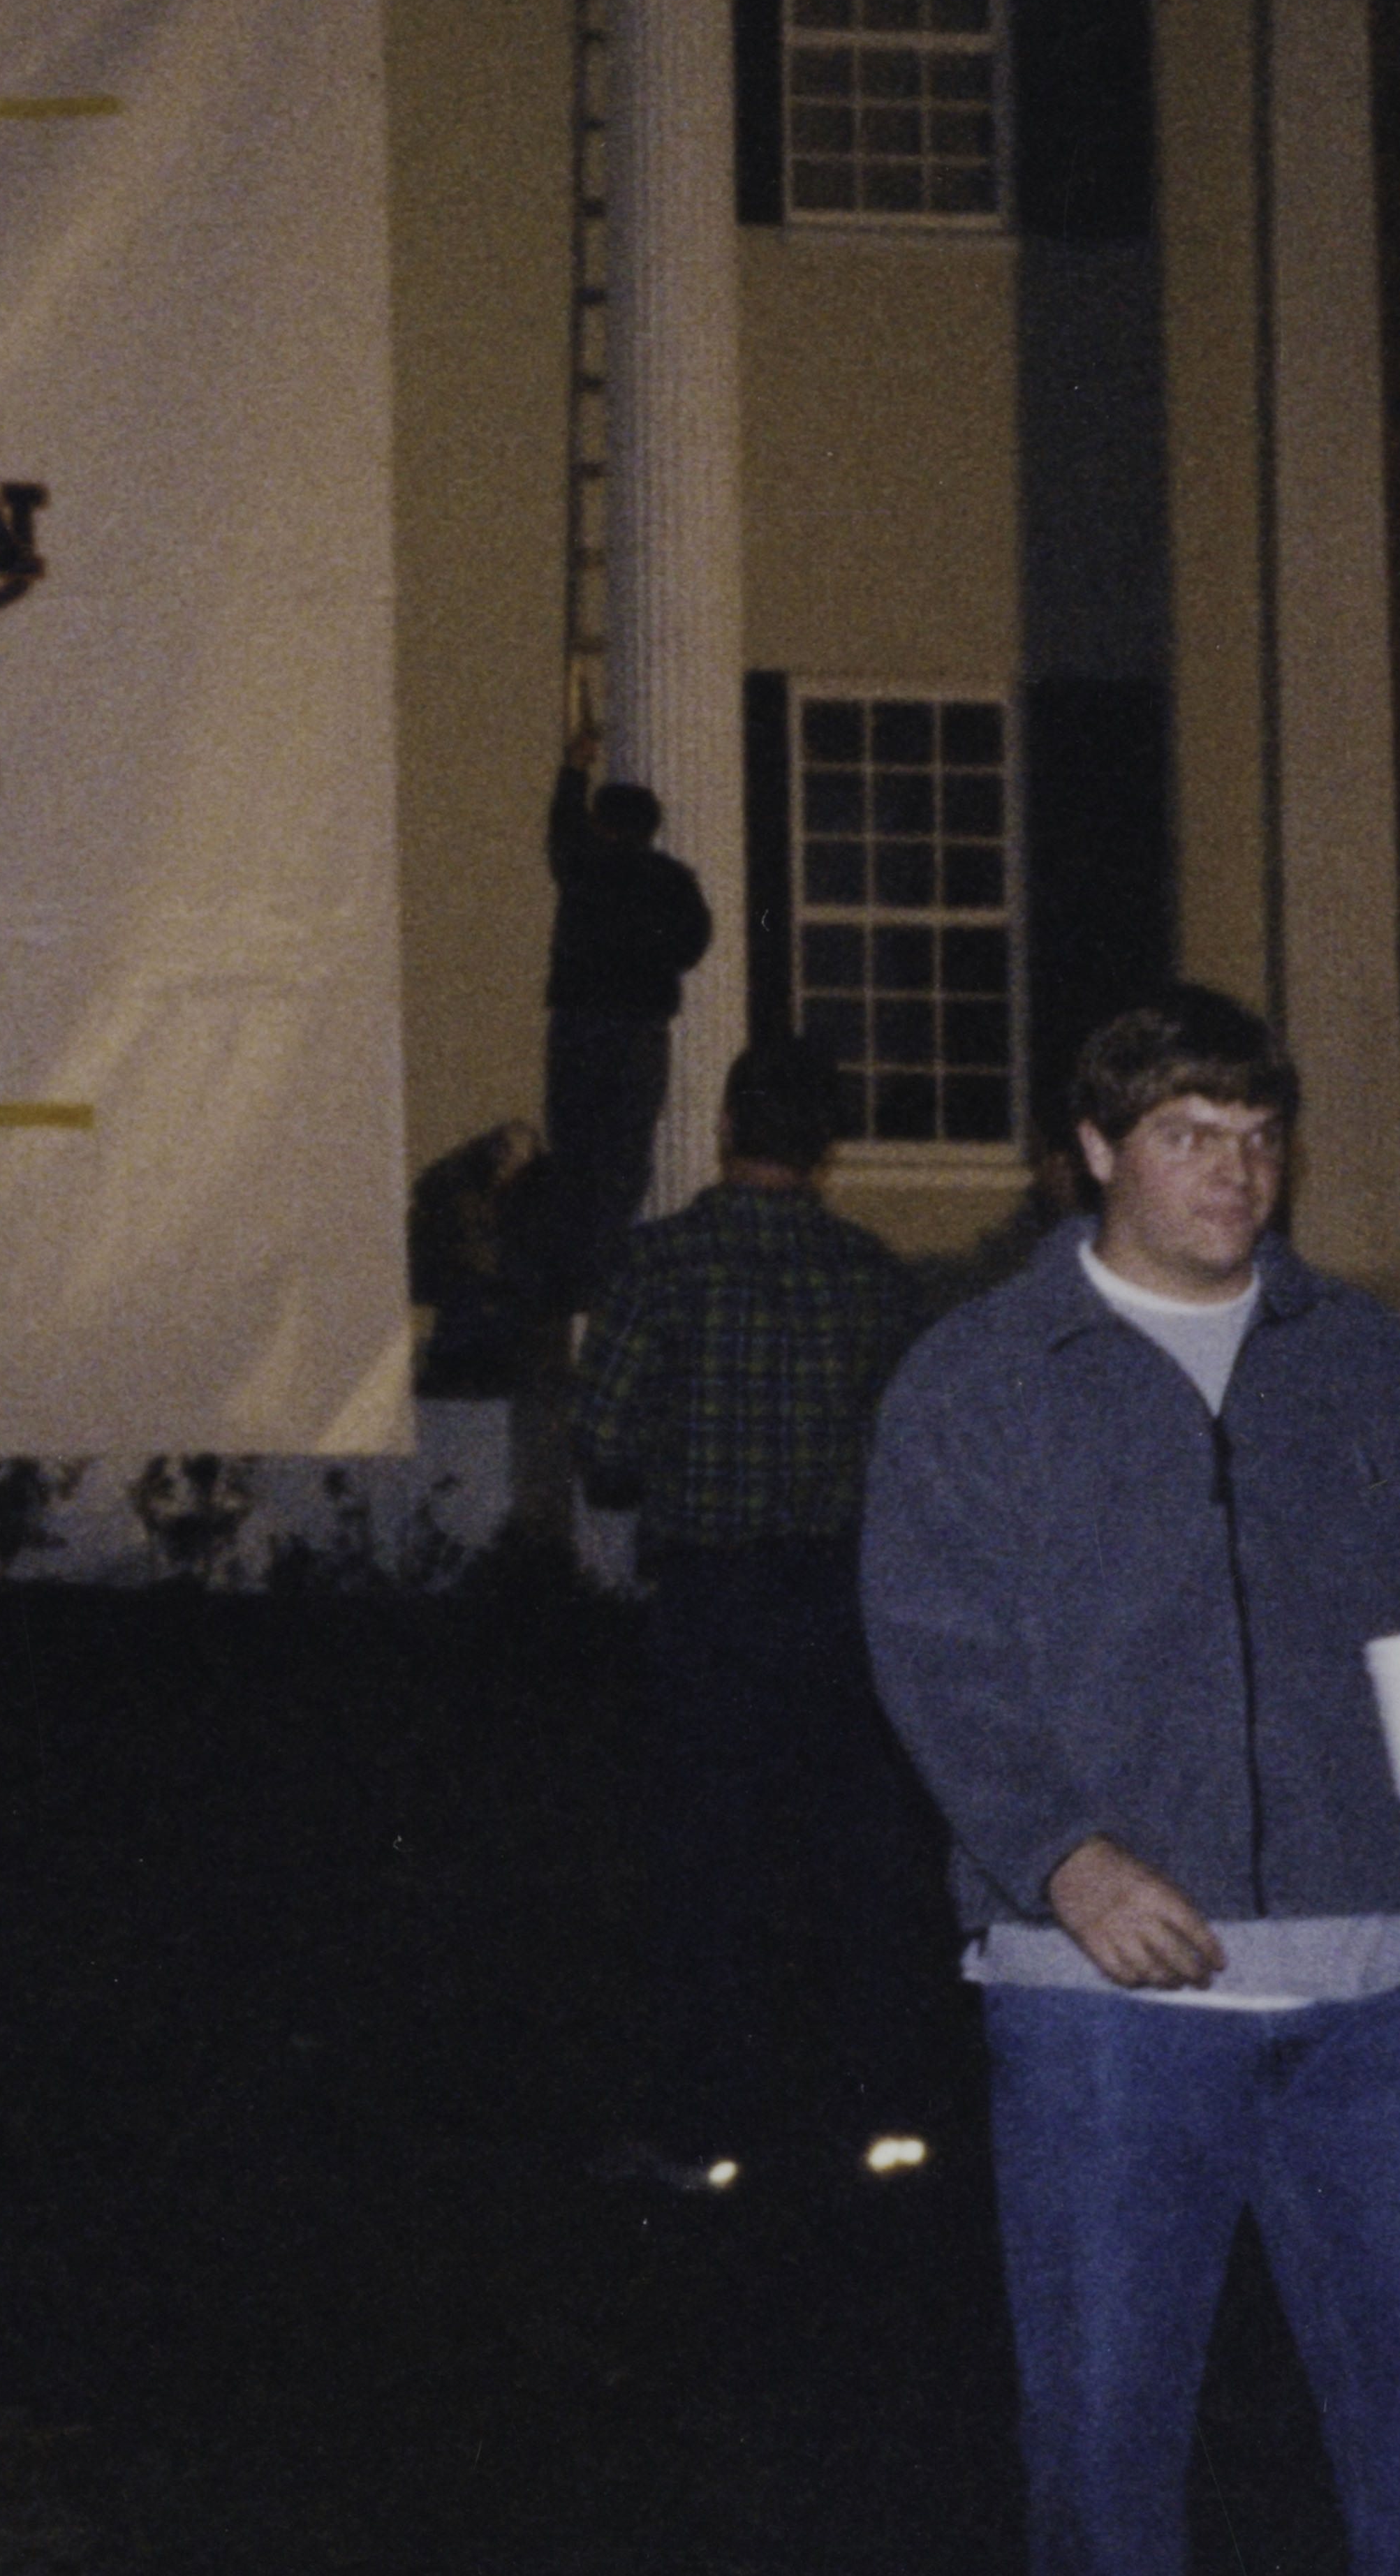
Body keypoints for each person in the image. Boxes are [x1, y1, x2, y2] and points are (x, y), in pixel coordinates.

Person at [859, 985, 1400, 2576]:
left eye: (1256, 1137)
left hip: (1379, 2002)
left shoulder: (1370, 1367)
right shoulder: (979, 1379)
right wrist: (1064, 1856)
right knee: (1105, 2453)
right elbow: (929, 1643)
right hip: (1108, 2007)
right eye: (1187, 1135)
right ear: (1094, 1148)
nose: (1232, 1173)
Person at [568, 1037, 951, 2197]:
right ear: (825, 1142)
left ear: (729, 1124)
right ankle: (879, 2121)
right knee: (860, 1872)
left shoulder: (664, 1262)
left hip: (716, 1602)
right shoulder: (869, 1274)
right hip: (838, 1601)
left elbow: (600, 1446)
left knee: (706, 1870)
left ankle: (700, 2135)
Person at [541, 723, 713, 1305]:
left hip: (581, 1024)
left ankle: (575, 1279)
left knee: (576, 1151)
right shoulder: (671, 880)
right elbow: (694, 943)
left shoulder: (586, 867)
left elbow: (561, 836)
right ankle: (608, 1270)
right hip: (640, 1030)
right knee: (625, 1156)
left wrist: (574, 769)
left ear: (603, 824)